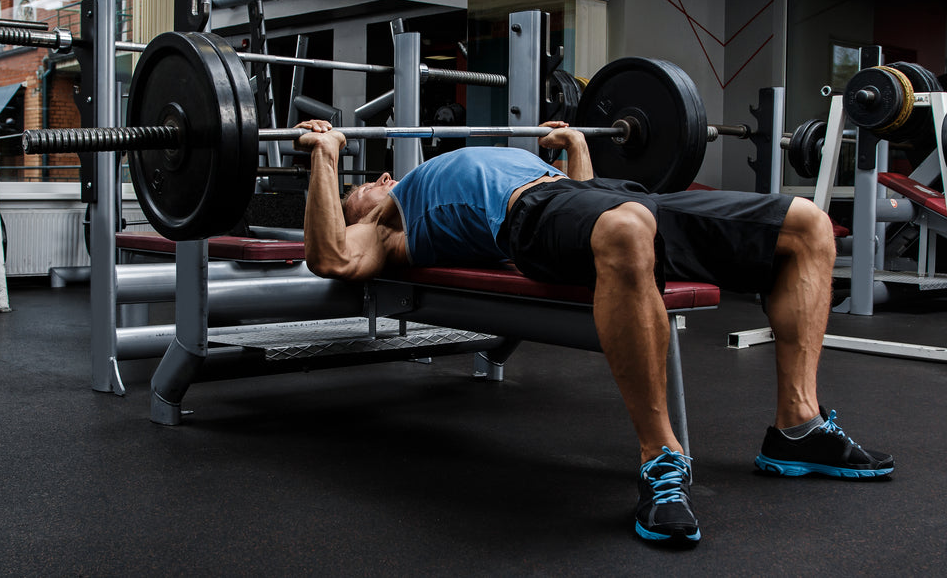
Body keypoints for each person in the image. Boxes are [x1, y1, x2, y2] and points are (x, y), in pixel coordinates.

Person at [294, 118, 893, 547]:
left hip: (596, 196)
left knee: (807, 225)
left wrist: (575, 147)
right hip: (525, 217)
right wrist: (325, 156)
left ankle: (798, 426)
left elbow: (582, 210)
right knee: (627, 231)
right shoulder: (387, 228)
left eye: (366, 180)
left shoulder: (414, 181)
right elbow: (331, 258)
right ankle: (662, 458)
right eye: (356, 190)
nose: (371, 181)